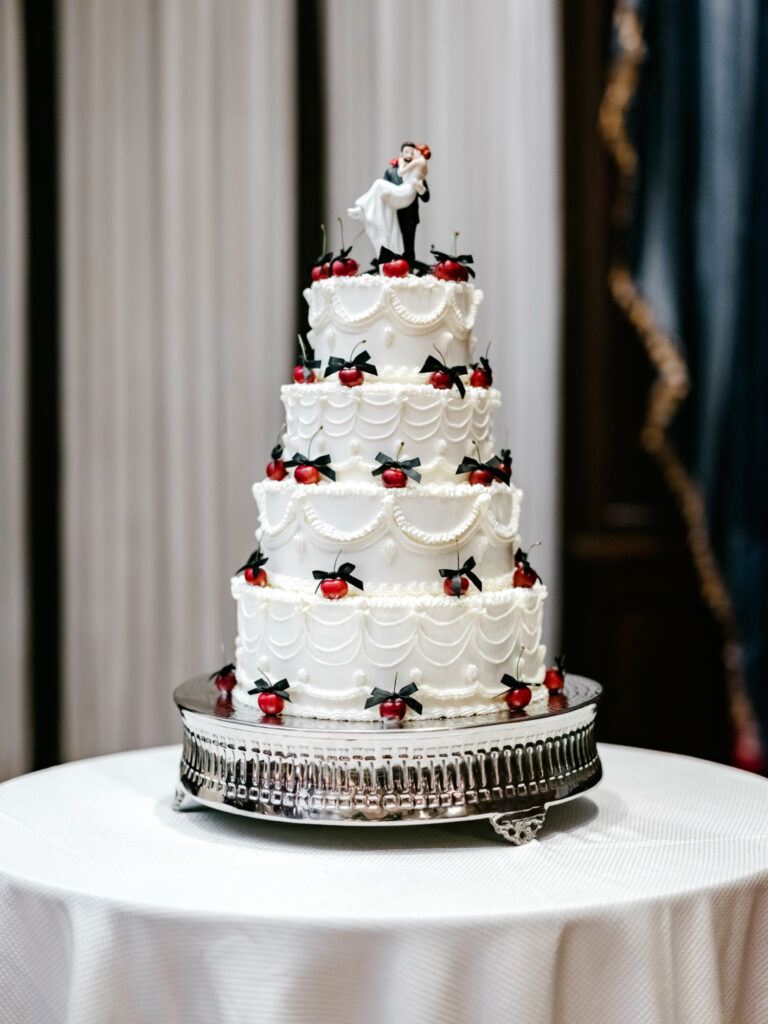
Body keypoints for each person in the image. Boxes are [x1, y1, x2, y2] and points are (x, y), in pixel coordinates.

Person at [348, 142, 431, 265]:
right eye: (406, 152)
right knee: (392, 241)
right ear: (401, 153)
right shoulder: (391, 171)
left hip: (409, 214)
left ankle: (409, 271)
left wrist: (421, 190)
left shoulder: (417, 168)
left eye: (412, 152)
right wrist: (386, 195)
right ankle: (391, 268)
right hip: (392, 211)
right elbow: (379, 192)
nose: (409, 154)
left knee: (408, 246)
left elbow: (426, 197)